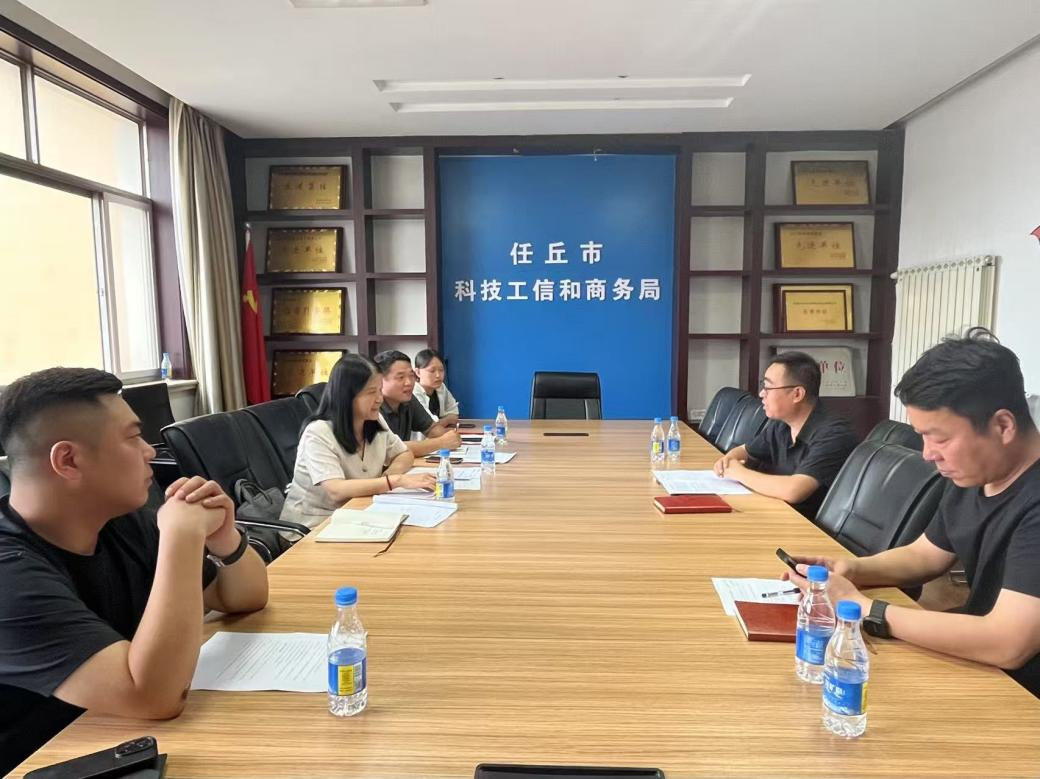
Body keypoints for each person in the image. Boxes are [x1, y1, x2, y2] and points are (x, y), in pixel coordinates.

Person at [0, 368, 269, 772]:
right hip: (44, 762)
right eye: (132, 437)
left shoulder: (119, 522)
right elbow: (155, 698)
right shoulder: (10, 576)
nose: (149, 451)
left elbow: (246, 597)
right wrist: (181, 536)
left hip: (121, 739)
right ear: (68, 460)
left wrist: (225, 538)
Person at [784, 329, 1040, 697]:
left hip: (1020, 690)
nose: (928, 454)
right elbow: (925, 555)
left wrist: (866, 608)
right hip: (978, 662)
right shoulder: (976, 472)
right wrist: (852, 569)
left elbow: (1009, 643)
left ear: (1002, 426)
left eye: (940, 438)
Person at [281, 354, 435, 528]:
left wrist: (387, 477)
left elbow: (404, 454)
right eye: (371, 392)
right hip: (314, 526)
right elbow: (336, 490)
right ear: (346, 396)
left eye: (380, 390)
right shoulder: (318, 432)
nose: (379, 399)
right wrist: (394, 482)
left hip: (359, 514)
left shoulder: (373, 420)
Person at [712, 351, 858, 519]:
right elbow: (745, 450)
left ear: (797, 394)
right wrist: (728, 461)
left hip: (807, 526)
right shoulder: (782, 423)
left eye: (768, 387)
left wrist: (738, 472)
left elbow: (794, 491)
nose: (761, 394)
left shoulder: (834, 435)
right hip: (778, 513)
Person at [374, 350, 462, 457]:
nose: (409, 383)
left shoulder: (409, 399)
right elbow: (391, 449)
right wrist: (441, 442)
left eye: (411, 376)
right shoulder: (372, 407)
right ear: (379, 380)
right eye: (401, 377)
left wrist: (450, 438)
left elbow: (431, 428)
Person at [413, 348, 460, 425]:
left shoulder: (441, 387)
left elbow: (454, 413)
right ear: (418, 372)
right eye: (432, 371)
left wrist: (441, 422)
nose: (438, 375)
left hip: (439, 431)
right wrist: (447, 420)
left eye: (441, 370)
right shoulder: (413, 392)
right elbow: (427, 424)